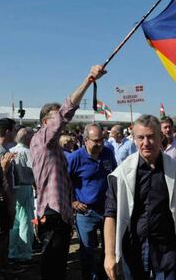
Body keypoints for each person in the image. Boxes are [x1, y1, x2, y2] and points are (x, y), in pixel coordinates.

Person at [30, 65, 105, 280]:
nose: (61, 125)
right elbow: (67, 110)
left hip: (59, 214)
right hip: (51, 214)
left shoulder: (55, 149)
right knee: (52, 267)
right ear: (46, 123)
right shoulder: (42, 139)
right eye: (55, 120)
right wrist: (88, 80)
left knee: (58, 267)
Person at [104, 114, 176, 280]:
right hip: (134, 246)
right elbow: (110, 214)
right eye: (140, 137)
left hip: (166, 246)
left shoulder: (175, 170)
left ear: (160, 137)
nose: (146, 143)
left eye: (151, 137)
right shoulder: (121, 173)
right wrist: (109, 255)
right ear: (134, 139)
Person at [67, 123, 117, 279]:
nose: (100, 144)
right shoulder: (75, 158)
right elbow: (64, 182)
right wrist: (72, 202)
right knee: (87, 250)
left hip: (107, 210)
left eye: (102, 140)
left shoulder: (108, 153)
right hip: (85, 212)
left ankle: (102, 276)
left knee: (108, 248)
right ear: (85, 140)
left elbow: (114, 176)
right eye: (96, 141)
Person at [0, 117, 20, 278]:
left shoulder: (2, 148)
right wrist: (9, 202)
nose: (15, 133)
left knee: (4, 234)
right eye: (14, 130)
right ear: (8, 131)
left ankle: (3, 265)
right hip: (1, 200)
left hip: (5, 198)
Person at [9, 127, 36, 264]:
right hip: (25, 187)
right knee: (26, 221)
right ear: (27, 138)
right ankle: (24, 253)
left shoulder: (11, 151)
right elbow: (35, 172)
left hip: (13, 189)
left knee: (15, 222)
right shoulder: (28, 152)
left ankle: (13, 251)